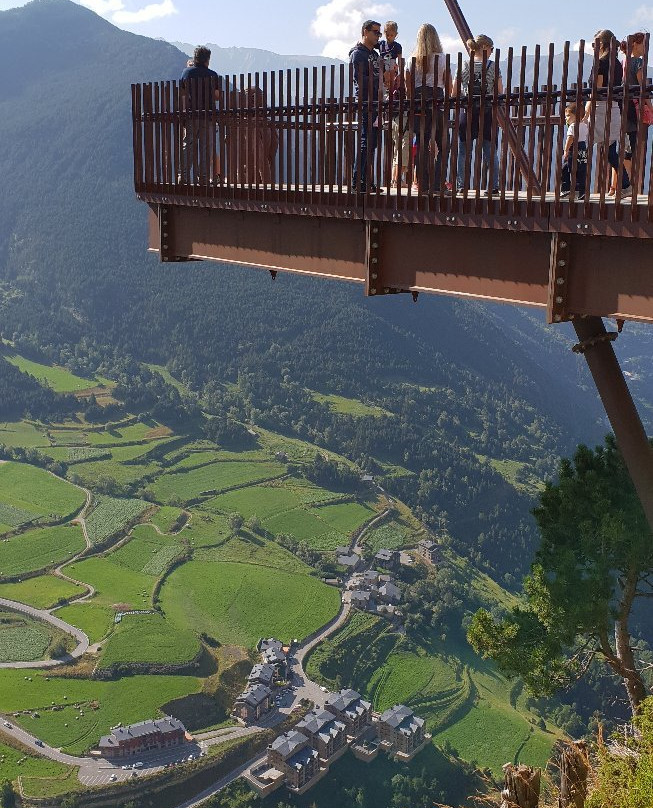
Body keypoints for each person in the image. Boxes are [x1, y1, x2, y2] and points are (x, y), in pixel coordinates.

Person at [454, 34, 503, 195]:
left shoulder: (464, 65)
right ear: (485, 48)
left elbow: (454, 92)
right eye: (491, 49)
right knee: (490, 152)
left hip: (467, 113)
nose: (492, 52)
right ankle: (493, 187)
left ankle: (462, 186)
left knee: (463, 151)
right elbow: (500, 91)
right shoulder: (492, 66)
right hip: (486, 113)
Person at [406, 23, 450, 193]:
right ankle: (438, 183)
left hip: (418, 104)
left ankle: (423, 183)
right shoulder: (442, 58)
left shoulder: (412, 59)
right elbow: (448, 84)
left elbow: (407, 85)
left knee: (423, 145)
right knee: (444, 144)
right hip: (437, 103)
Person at [584, 30, 630, 194]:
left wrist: (586, 112)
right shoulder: (616, 63)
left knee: (581, 146)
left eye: (594, 44)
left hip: (600, 110)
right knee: (610, 152)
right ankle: (625, 185)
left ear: (601, 44)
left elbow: (597, 90)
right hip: (613, 109)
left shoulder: (601, 63)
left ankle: (577, 186)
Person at [349, 20, 385, 192]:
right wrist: (379, 78)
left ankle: (366, 179)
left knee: (372, 143)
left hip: (376, 102)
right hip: (365, 101)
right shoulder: (358, 54)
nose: (378, 36)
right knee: (366, 141)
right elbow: (359, 80)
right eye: (375, 32)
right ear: (365, 32)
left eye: (379, 33)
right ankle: (358, 180)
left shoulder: (375, 54)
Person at [179, 46, 220, 184]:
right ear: (207, 60)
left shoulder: (186, 73)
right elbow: (217, 96)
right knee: (205, 147)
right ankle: (203, 177)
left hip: (191, 116)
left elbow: (183, 93)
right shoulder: (212, 75)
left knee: (188, 145)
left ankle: (183, 176)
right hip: (207, 117)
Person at [620, 32, 651, 188]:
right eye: (644, 44)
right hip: (635, 109)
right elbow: (642, 89)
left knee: (626, 148)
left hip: (625, 108)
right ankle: (631, 184)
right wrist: (651, 107)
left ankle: (622, 183)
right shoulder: (638, 62)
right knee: (634, 147)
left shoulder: (624, 62)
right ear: (636, 44)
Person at [560, 104, 588, 197]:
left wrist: (565, 150)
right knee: (581, 170)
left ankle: (566, 188)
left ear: (576, 116)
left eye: (568, 116)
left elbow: (570, 139)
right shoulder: (584, 125)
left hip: (574, 148)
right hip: (583, 148)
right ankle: (581, 191)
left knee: (567, 169)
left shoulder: (572, 126)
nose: (566, 118)